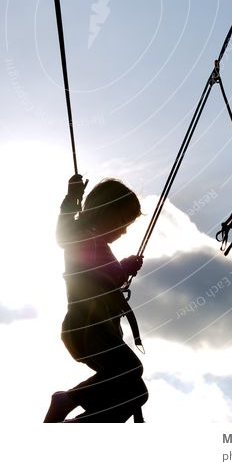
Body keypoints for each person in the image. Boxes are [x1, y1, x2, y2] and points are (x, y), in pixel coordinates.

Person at [44, 174, 148, 423]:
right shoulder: (81, 235)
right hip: (86, 325)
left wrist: (125, 268)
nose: (124, 230)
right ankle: (66, 400)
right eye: (122, 221)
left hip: (101, 329)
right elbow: (64, 235)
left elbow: (107, 277)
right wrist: (72, 198)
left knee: (137, 393)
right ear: (104, 211)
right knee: (131, 369)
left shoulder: (100, 246)